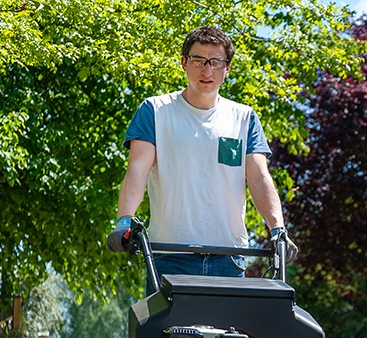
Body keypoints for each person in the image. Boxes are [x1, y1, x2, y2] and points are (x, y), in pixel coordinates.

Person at [106, 26, 296, 278]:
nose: (207, 71)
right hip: (169, 256)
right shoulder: (155, 110)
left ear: (227, 68)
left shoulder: (244, 118)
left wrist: (277, 229)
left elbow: (259, 178)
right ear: (184, 63)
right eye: (198, 60)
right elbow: (138, 169)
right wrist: (124, 221)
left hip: (229, 258)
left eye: (216, 62)